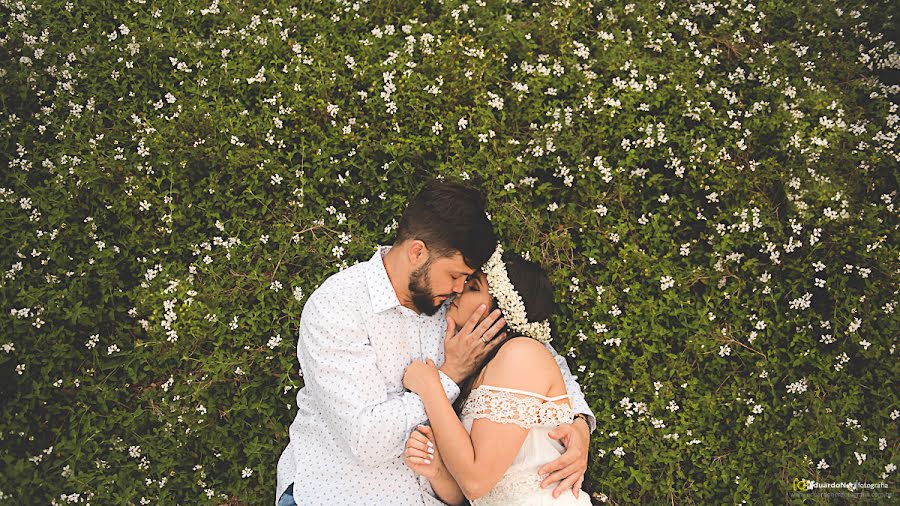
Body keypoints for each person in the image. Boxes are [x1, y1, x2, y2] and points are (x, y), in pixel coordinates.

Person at [275, 180, 595, 505]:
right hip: (342, 494)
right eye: (456, 275)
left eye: (468, 280)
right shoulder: (340, 305)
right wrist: (446, 379)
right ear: (417, 252)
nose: (460, 287)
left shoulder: (453, 303)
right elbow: (366, 440)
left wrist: (578, 425)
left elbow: (532, 346)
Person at [402, 246, 593, 505]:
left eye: (473, 287)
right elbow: (470, 492)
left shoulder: (522, 355)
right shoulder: (483, 373)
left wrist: (431, 387)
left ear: (501, 312)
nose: (458, 290)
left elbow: (476, 482)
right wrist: (437, 470)